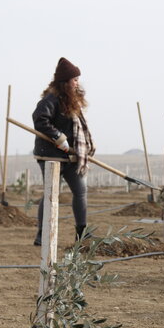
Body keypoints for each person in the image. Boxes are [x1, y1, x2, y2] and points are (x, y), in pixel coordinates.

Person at [32, 57, 95, 246]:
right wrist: (59, 137)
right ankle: (42, 234)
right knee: (51, 193)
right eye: (74, 80)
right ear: (65, 82)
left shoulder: (73, 100)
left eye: (77, 79)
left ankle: (81, 233)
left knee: (80, 191)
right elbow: (40, 119)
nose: (77, 83)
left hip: (72, 155)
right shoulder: (51, 99)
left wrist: (75, 147)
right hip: (51, 155)